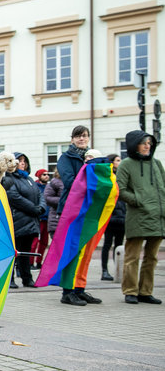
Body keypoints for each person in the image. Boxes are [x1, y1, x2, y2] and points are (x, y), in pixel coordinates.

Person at [55, 125, 102, 306]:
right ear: (72, 139)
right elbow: (69, 181)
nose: (82, 139)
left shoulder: (92, 157)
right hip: (71, 210)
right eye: (78, 136)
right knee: (72, 251)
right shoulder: (66, 158)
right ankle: (67, 291)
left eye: (84, 136)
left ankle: (79, 288)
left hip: (89, 211)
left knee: (86, 253)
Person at [116, 130, 165, 305]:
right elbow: (120, 189)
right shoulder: (126, 165)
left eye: (149, 143)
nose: (147, 146)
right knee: (132, 256)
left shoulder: (157, 164)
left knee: (152, 258)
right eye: (144, 143)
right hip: (137, 215)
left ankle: (146, 292)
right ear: (134, 145)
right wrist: (138, 200)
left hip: (157, 217)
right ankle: (130, 291)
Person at [3, 153, 44, 289]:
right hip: (17, 220)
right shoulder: (9, 179)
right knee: (14, 252)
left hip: (30, 221)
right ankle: (10, 279)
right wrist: (33, 208)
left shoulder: (30, 180)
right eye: (19, 160)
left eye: (24, 161)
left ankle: (27, 278)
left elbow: (40, 194)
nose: (22, 163)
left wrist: (41, 208)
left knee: (25, 252)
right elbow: (13, 196)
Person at [100, 154, 126, 281]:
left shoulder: (122, 176)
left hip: (122, 216)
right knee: (107, 244)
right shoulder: (108, 176)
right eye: (117, 160)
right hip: (110, 216)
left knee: (119, 245)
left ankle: (118, 271)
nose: (120, 162)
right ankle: (104, 271)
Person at [31, 169, 50, 269]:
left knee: (44, 242)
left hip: (47, 219)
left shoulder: (49, 187)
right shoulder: (35, 187)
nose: (46, 176)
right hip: (38, 218)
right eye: (44, 174)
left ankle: (39, 262)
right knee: (34, 242)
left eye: (47, 174)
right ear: (39, 176)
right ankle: (30, 262)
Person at [43, 168, 63, 241]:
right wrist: (64, 201)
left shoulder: (72, 181)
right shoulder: (55, 182)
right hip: (56, 220)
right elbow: (47, 198)